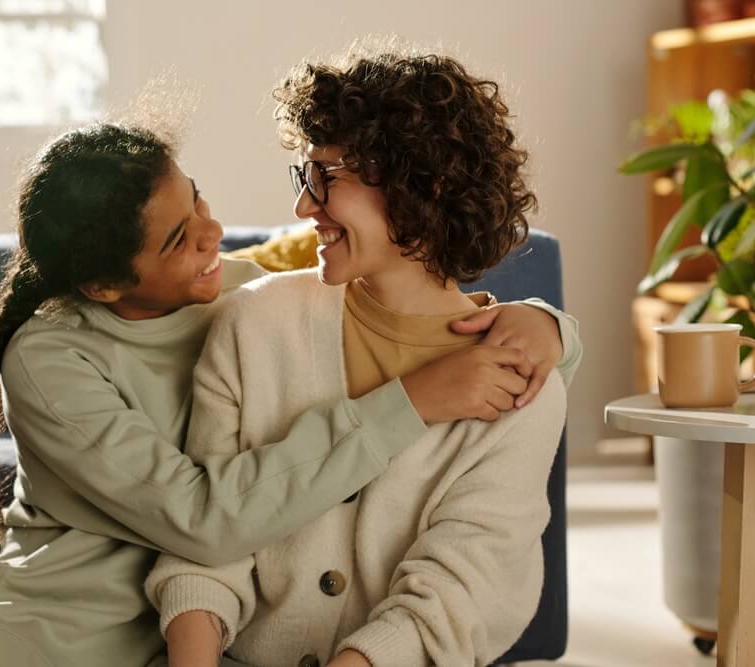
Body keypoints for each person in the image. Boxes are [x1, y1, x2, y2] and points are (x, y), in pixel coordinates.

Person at [0, 118, 580, 667]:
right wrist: (415, 400)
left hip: (185, 633)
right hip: (36, 640)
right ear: (105, 286)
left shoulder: (236, 293)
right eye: (177, 239)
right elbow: (204, 516)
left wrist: (548, 328)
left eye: (199, 200)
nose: (213, 234)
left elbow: (385, 295)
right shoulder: (49, 357)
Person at [145, 48, 577, 667]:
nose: (303, 207)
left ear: (420, 185)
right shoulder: (254, 324)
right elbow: (208, 536)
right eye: (304, 176)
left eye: (327, 178)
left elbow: (457, 596)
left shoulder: (522, 386)